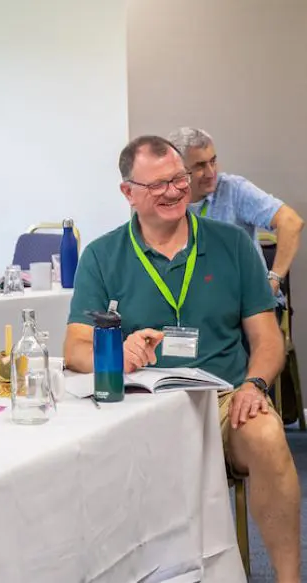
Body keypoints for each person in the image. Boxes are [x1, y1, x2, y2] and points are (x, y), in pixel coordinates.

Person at [64, 135, 300, 582]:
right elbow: (74, 348)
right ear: (128, 192)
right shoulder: (102, 255)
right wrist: (117, 350)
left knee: (268, 436)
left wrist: (255, 386)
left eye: (178, 179)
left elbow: (267, 339)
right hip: (139, 407)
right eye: (157, 185)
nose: (174, 192)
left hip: (224, 400)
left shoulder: (232, 245)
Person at [168, 127, 304, 296]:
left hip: (246, 303)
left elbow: (291, 222)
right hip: (197, 303)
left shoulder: (233, 189)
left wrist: (274, 280)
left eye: (213, 161)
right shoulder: (167, 201)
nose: (211, 172)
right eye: (200, 166)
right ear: (178, 170)